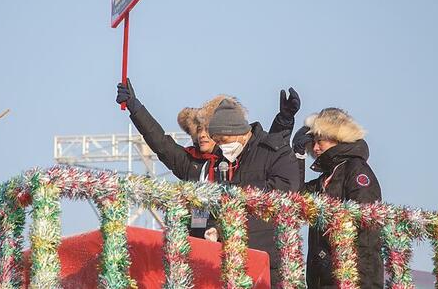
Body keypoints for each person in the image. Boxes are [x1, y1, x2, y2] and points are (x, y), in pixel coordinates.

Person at [115, 79, 300, 237]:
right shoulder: (195, 165)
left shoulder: (235, 161)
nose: (203, 135)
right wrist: (135, 108)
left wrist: (284, 121)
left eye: (210, 132)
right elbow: (161, 144)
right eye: (199, 130)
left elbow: (273, 165)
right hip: (199, 242)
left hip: (238, 244)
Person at [206, 98, 301, 286]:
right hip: (232, 259)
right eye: (216, 141)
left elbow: (286, 188)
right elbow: (220, 200)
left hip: (269, 258)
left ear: (239, 132)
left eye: (223, 140)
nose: (221, 146)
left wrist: (239, 193)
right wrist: (214, 226)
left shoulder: (274, 150)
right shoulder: (222, 160)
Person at [291, 108, 383, 289]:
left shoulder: (357, 171)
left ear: (338, 139)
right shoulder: (324, 179)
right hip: (322, 279)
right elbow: (295, 198)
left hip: (352, 278)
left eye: (320, 141)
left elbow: (366, 229)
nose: (315, 148)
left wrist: (361, 281)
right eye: (313, 143)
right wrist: (298, 155)